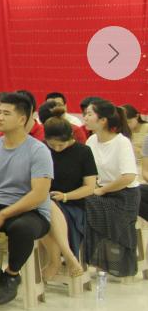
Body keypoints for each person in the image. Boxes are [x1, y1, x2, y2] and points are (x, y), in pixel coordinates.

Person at [0, 93, 54, 305]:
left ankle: (11, 275)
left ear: (22, 119)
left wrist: (2, 215)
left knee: (21, 228)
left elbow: (39, 195)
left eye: (6, 113)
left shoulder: (38, 150)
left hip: (32, 212)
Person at [82, 99, 142, 277]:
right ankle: (85, 255)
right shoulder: (91, 141)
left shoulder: (121, 142)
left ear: (103, 120)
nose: (85, 118)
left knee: (88, 206)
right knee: (78, 204)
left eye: (89, 114)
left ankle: (97, 258)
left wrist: (102, 190)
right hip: (100, 192)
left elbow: (128, 177)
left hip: (124, 196)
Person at [41, 111, 95, 274]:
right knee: (43, 209)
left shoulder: (83, 152)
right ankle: (66, 256)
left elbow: (89, 187)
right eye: (52, 145)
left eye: (61, 145)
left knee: (45, 211)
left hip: (74, 203)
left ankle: (57, 261)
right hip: (44, 200)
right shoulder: (41, 149)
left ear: (71, 138)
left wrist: (65, 196)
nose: (57, 149)